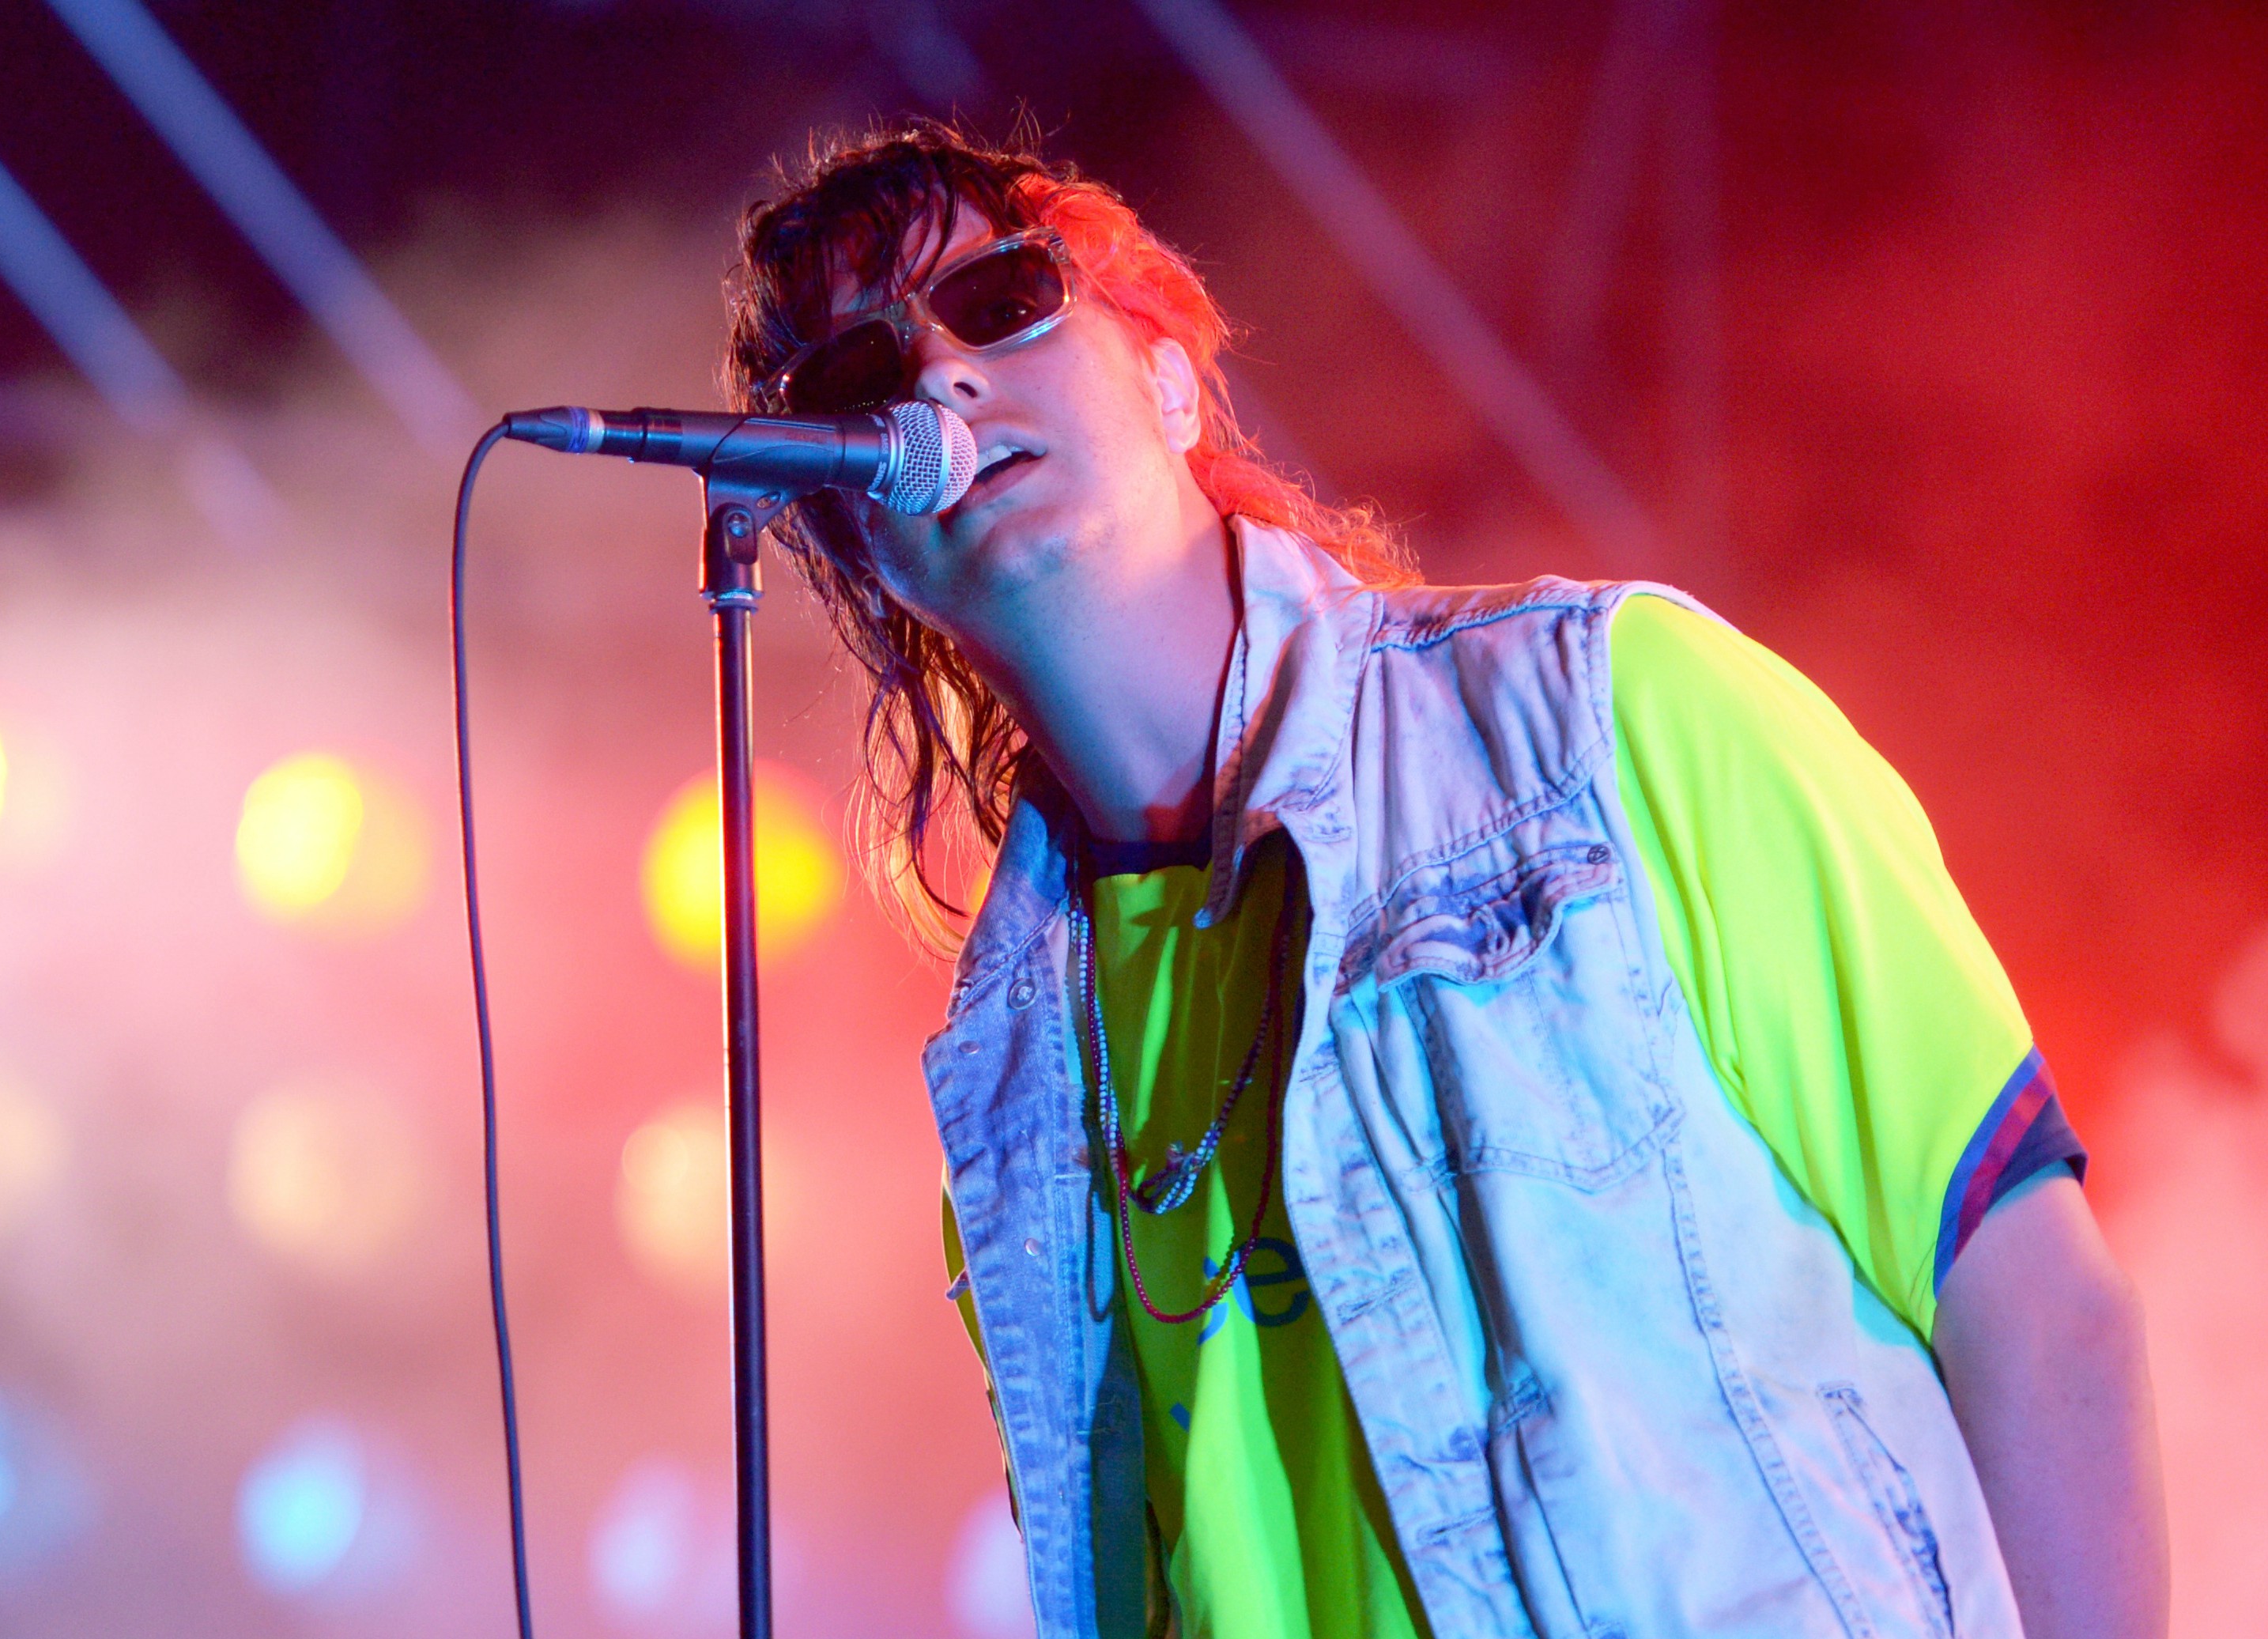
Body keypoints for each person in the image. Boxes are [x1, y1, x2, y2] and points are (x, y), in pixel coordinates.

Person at [725, 123, 2165, 1639]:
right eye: (853, 378)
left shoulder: (1609, 714)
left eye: (1001, 300)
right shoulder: (1011, 1073)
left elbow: (2036, 1308)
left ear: (1163, 370)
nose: (935, 378)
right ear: (863, 537)